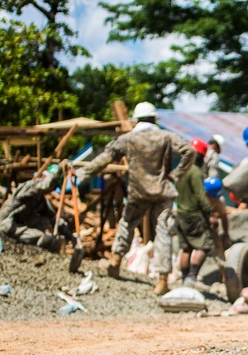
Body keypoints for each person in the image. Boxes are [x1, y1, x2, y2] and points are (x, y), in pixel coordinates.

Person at [76, 101, 195, 295]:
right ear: (154, 118)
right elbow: (189, 150)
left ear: (137, 119)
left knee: (127, 223)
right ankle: (162, 280)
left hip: (138, 191)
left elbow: (104, 158)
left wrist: (81, 175)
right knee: (163, 232)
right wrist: (176, 174)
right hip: (162, 190)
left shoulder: (128, 139)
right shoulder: (166, 137)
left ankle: (115, 262)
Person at [0, 163, 74, 252]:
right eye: (54, 185)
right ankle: (36, 253)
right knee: (42, 238)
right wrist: (59, 169)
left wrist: (70, 236)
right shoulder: (30, 186)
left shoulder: (40, 200)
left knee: (44, 221)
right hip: (6, 224)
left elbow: (54, 218)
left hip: (19, 224)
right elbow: (45, 185)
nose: (53, 189)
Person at [174, 139, 215, 290]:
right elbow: (200, 196)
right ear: (201, 157)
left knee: (186, 248)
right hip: (194, 215)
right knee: (204, 246)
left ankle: (184, 278)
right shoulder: (195, 172)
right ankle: (192, 277)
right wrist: (209, 212)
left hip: (180, 214)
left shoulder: (181, 171)